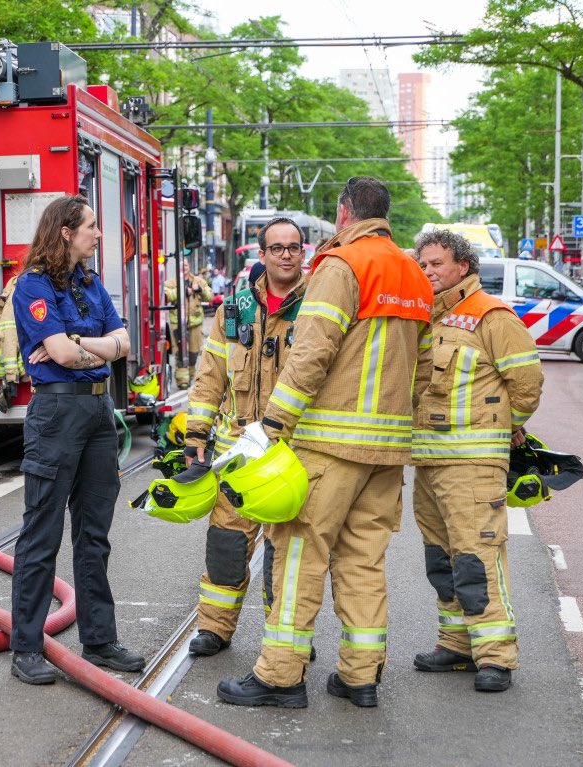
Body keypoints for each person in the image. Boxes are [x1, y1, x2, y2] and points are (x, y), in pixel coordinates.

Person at [217, 177, 433, 709]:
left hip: (329, 445)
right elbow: (423, 369)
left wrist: (272, 424)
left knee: (299, 556)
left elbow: (311, 352)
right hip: (387, 452)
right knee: (363, 561)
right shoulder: (414, 273)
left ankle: (280, 677)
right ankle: (360, 677)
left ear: (343, 214)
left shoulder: (341, 265)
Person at [8, 194, 144, 684]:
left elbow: (122, 344)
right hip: (58, 412)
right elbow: (60, 356)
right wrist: (89, 348)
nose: (99, 233)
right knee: (41, 533)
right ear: (65, 232)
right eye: (91, 225)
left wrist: (81, 345)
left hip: (97, 411)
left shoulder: (91, 284)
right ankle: (26, 646)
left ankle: (100, 640)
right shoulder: (32, 286)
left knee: (94, 535)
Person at [411, 230, 544, 693]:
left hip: (472, 465)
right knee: (441, 559)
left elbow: (526, 384)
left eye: (436, 264)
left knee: (476, 557)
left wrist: (508, 428)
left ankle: (495, 657)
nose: (427, 271)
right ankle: (456, 645)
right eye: (422, 264)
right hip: (429, 461)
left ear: (463, 266)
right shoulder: (425, 318)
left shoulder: (491, 315)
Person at [183, 218, 308, 657]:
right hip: (239, 450)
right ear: (263, 254)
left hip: (291, 451)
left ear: (303, 252)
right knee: (226, 545)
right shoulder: (233, 310)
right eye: (277, 248)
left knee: (286, 553)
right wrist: (196, 433)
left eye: (293, 247)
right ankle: (214, 629)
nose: (286, 254)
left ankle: (286, 637)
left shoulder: (316, 309)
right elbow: (210, 376)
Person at [163, 260, 213, 390]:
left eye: (185, 265)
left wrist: (200, 290)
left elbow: (210, 296)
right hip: (177, 323)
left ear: (189, 266)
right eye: (180, 265)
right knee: (179, 353)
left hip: (195, 323)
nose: (183, 268)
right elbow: (166, 296)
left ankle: (190, 377)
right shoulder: (171, 282)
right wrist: (183, 291)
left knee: (193, 353)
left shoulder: (198, 280)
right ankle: (182, 380)